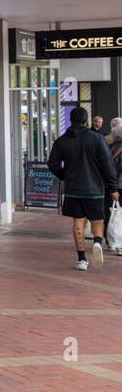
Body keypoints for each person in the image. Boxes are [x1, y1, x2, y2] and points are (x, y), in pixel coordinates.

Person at [47, 106, 118, 270]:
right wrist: (113, 188)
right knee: (97, 220)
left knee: (78, 221)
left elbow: (52, 164)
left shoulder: (61, 141)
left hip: (73, 189)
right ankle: (98, 243)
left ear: (71, 120)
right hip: (94, 189)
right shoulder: (97, 139)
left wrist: (65, 175)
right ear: (87, 120)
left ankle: (81, 259)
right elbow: (108, 165)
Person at [108, 118, 122, 254]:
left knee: (115, 214)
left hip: (113, 186)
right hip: (119, 185)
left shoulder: (111, 148)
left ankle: (113, 242)